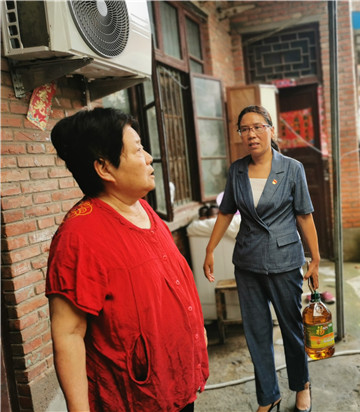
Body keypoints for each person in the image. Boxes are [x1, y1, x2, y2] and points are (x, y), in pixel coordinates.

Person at [46, 107, 209, 412]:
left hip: (175, 381)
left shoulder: (142, 208)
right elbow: (68, 334)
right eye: (137, 150)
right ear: (104, 168)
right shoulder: (79, 236)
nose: (149, 158)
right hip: (135, 398)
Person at [203, 105, 320, 412]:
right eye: (244, 129)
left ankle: (302, 385)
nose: (251, 134)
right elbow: (226, 212)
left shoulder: (292, 168)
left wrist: (315, 259)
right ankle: (269, 396)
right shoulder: (237, 170)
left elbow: (304, 216)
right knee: (256, 334)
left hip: (284, 260)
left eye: (257, 127)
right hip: (248, 262)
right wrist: (210, 249)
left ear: (271, 130)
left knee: (291, 328)